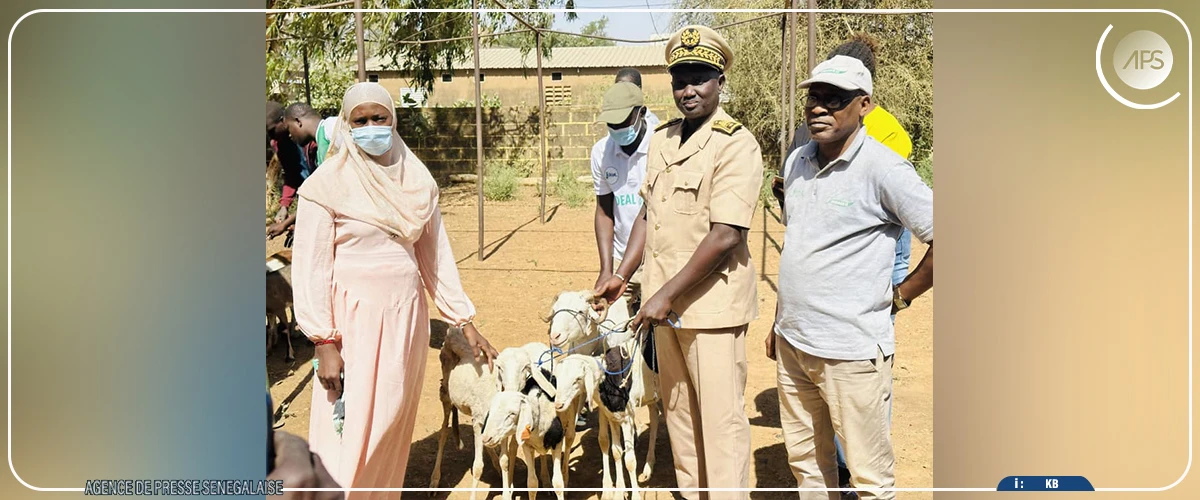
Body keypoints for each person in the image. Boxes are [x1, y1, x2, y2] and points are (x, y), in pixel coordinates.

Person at [291, 82, 499, 496]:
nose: (371, 127)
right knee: (347, 429)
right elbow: (311, 268)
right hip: (351, 324)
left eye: (379, 118)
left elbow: (435, 257)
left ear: (393, 120)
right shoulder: (325, 187)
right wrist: (323, 341)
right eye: (360, 120)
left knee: (390, 420)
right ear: (347, 127)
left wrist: (464, 320)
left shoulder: (415, 181)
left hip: (405, 319)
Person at [595, 25, 763, 500]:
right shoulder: (665, 141)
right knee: (680, 416)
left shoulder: (736, 143)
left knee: (721, 422)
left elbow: (727, 234)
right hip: (663, 308)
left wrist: (665, 294)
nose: (688, 90)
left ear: (719, 81)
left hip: (711, 310)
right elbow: (650, 213)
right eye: (680, 79)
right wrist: (622, 275)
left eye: (700, 78)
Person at [766, 55, 933, 500]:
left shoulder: (884, 167)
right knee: (808, 466)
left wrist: (902, 295)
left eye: (834, 99)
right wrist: (779, 322)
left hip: (852, 352)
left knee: (869, 478)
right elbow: (800, 247)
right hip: (794, 344)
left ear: (864, 105)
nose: (819, 108)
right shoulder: (798, 161)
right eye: (814, 98)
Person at [271, 103, 339, 240]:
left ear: (298, 122)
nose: (290, 135)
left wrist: (287, 223)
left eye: (289, 129)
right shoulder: (321, 147)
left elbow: (323, 194)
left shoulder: (331, 130)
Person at [267, 102, 317, 240]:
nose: (270, 136)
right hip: (309, 197)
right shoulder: (278, 144)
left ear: (283, 121)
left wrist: (294, 220)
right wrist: (284, 206)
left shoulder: (312, 140)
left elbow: (322, 189)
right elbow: (292, 175)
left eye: (271, 130)